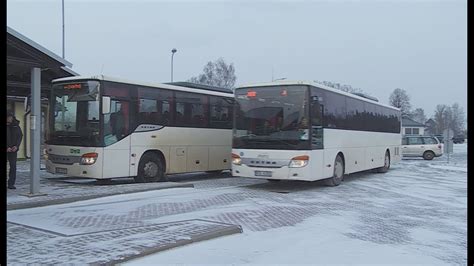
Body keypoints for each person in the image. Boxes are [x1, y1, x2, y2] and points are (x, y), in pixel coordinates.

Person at [7, 111, 23, 189]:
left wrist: (16, 146)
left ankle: (11, 184)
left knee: (13, 167)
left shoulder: (16, 126)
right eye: (8, 117)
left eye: (11, 117)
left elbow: (20, 136)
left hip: (13, 150)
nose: (10, 119)